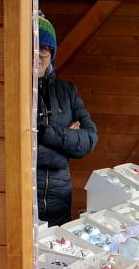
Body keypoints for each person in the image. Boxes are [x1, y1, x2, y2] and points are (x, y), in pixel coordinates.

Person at [37, 14, 98, 226]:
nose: (38, 54)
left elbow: (90, 139)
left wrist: (46, 133)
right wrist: (66, 142)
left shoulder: (67, 91)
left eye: (44, 48)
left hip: (60, 198)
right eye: (32, 47)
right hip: (26, 196)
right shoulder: (15, 93)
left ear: (52, 53)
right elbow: (22, 149)